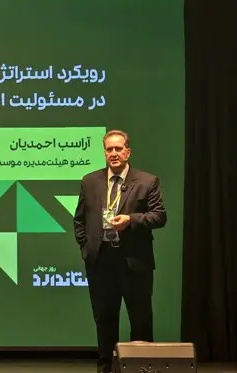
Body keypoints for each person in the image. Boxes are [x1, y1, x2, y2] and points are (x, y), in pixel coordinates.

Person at [73, 130, 167, 373]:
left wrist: (130, 220)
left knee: (141, 322)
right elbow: (79, 220)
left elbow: (159, 216)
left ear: (128, 152)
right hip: (101, 264)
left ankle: (142, 369)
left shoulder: (147, 181)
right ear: (104, 153)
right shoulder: (90, 181)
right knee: (104, 324)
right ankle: (105, 369)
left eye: (118, 148)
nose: (113, 153)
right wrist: (86, 249)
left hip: (134, 264)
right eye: (109, 149)